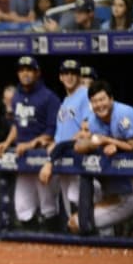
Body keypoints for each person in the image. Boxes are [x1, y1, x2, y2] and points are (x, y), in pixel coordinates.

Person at [0, 56, 61, 231]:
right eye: (22, 70)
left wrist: (30, 144)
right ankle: (34, 250)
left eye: (29, 69)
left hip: (43, 157)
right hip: (23, 159)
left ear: (37, 73)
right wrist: (7, 142)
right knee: (23, 208)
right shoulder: (17, 96)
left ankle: (55, 245)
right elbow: (17, 124)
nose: (25, 73)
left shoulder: (49, 97)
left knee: (48, 206)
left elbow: (52, 131)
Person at [73, 80, 133, 235]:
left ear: (111, 99)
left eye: (102, 99)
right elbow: (80, 147)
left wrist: (110, 142)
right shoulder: (93, 121)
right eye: (95, 102)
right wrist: (94, 143)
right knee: (76, 222)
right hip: (120, 191)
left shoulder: (125, 113)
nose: (99, 105)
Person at [38, 59, 93, 220]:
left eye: (73, 73)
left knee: (78, 199)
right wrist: (54, 143)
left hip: (78, 157)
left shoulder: (85, 95)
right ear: (60, 77)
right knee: (70, 208)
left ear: (79, 77)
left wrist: (60, 146)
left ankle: (101, 241)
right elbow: (61, 132)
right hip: (62, 156)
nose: (69, 77)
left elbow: (87, 128)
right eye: (65, 73)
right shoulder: (66, 101)